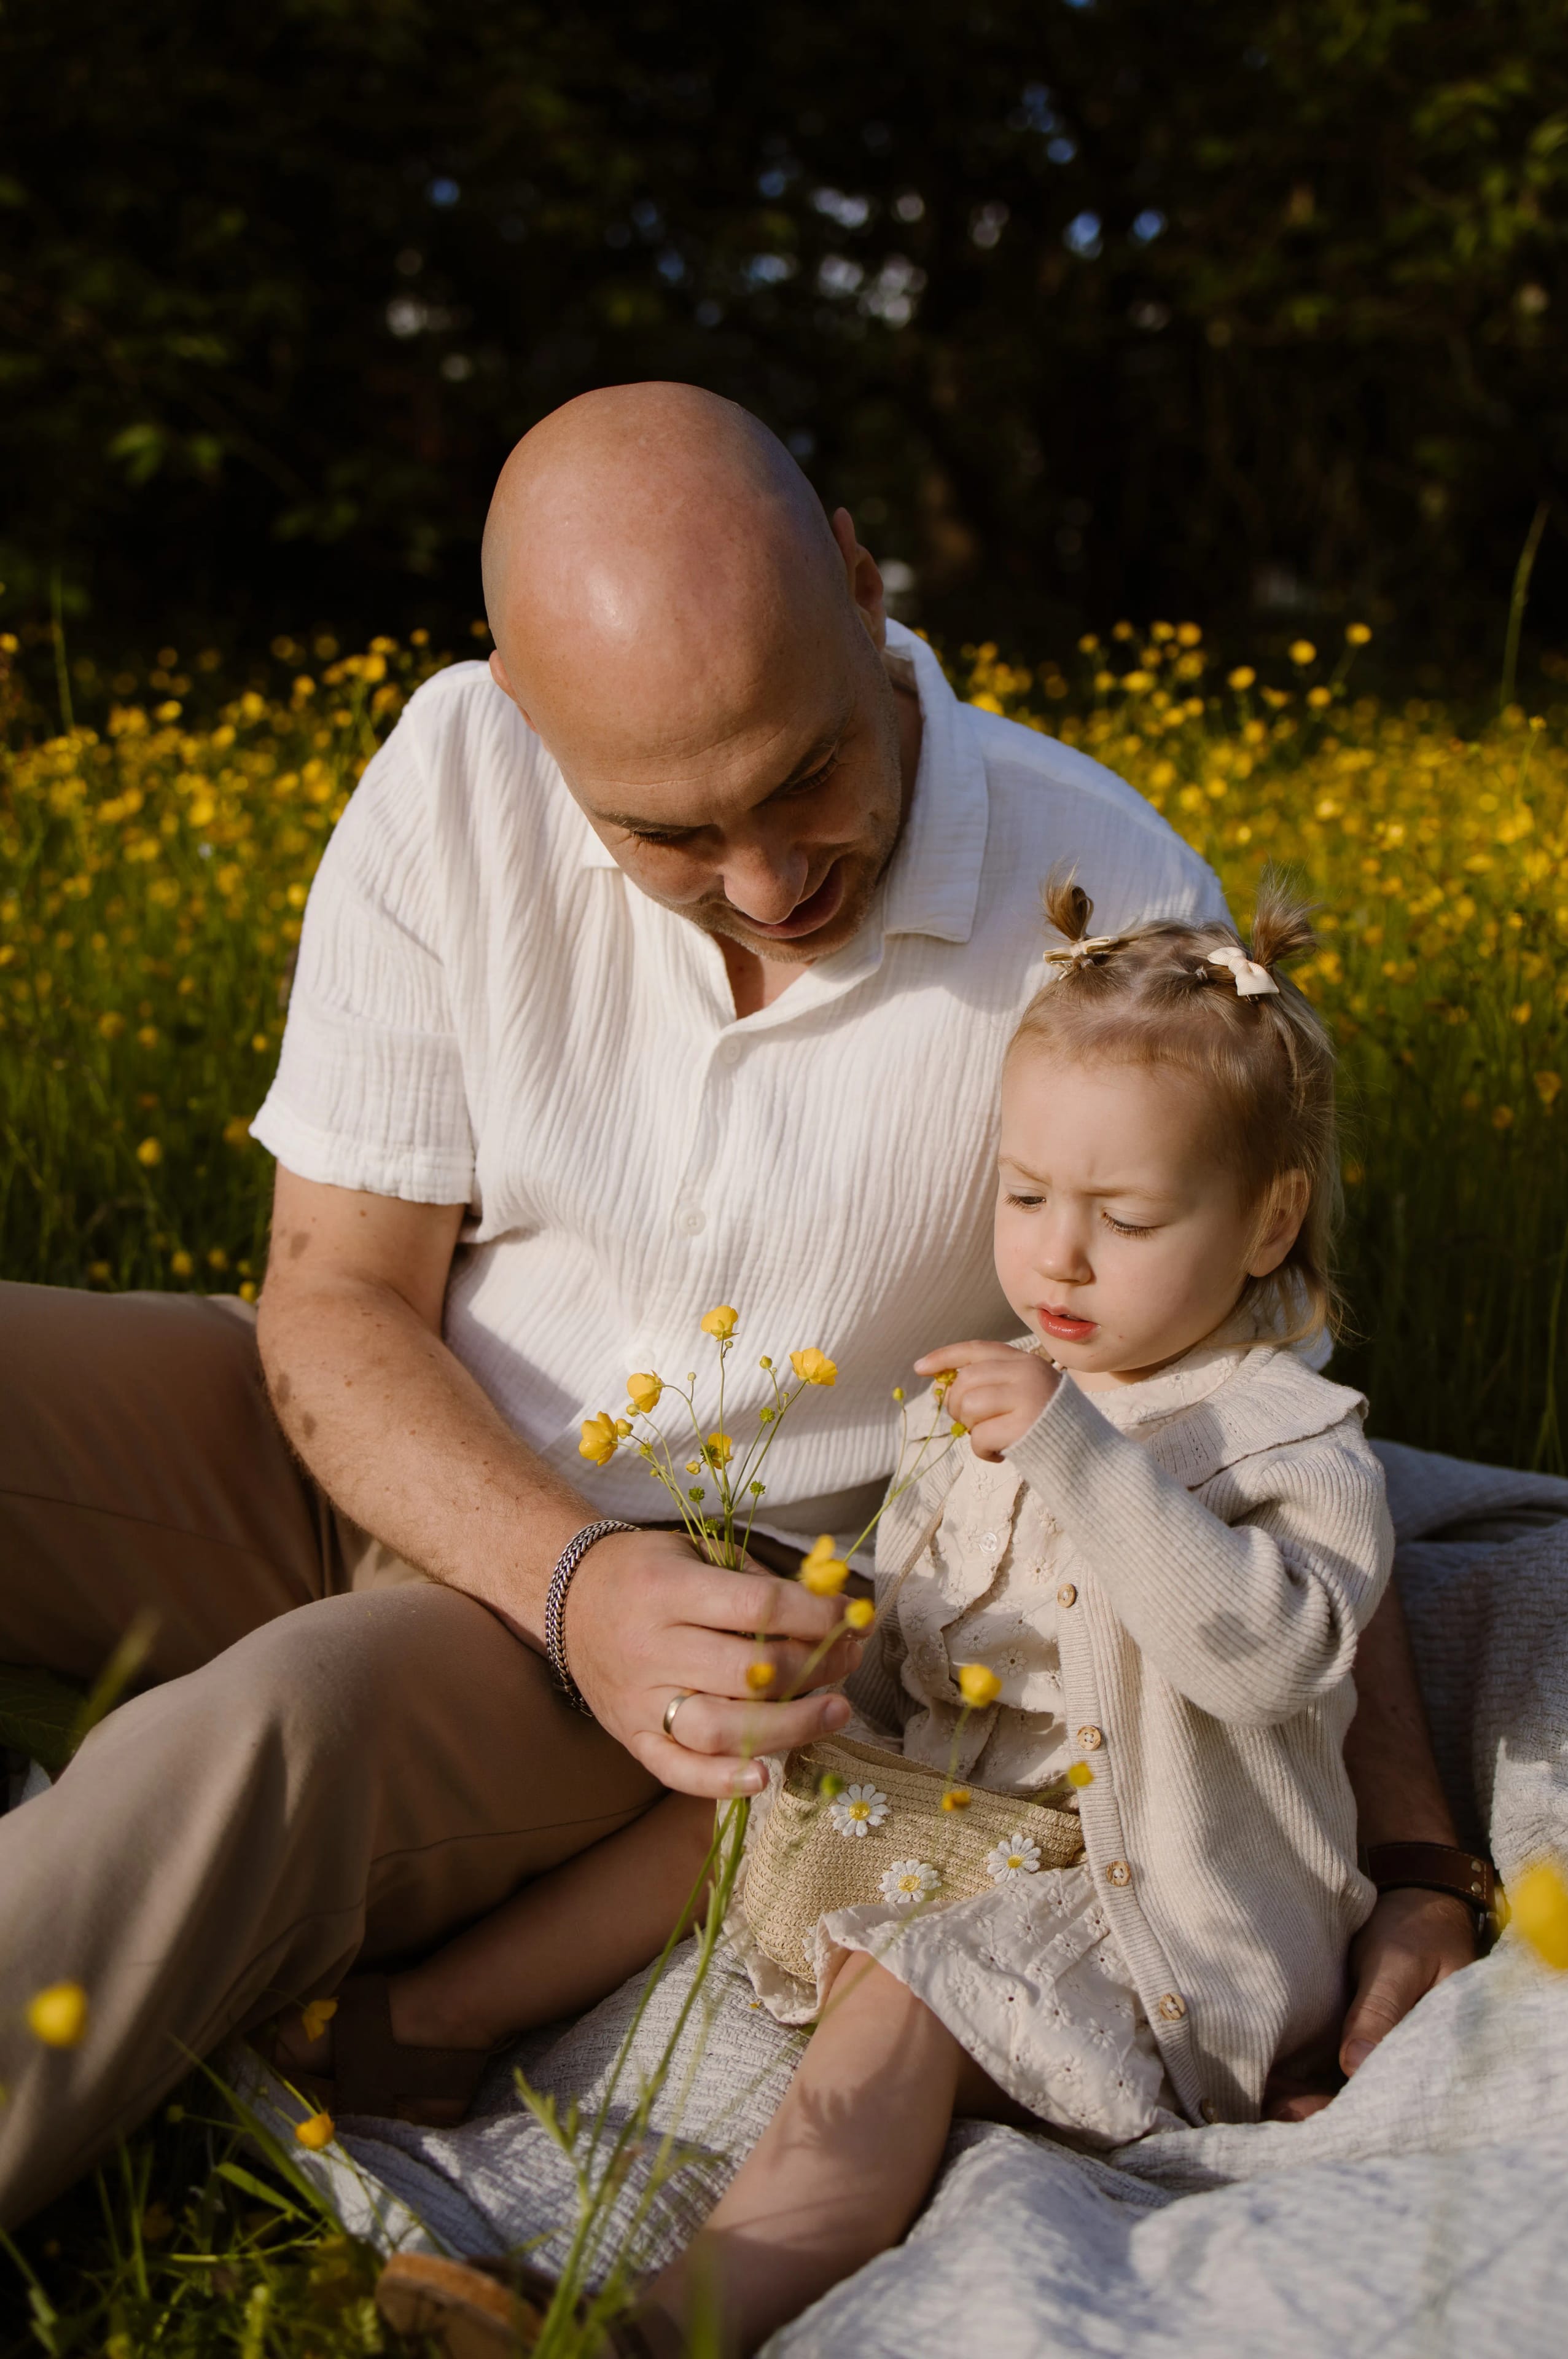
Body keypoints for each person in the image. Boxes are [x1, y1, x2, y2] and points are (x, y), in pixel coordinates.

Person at [0, 384, 1473, 2229]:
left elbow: (1261, 1427)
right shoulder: (454, 770)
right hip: (367, 1433)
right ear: (530, 715)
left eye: (803, 778)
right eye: (671, 833)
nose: (772, 882)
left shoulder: (1096, 900)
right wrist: (545, 1555)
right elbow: (335, 1298)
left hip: (675, 1616)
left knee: (261, 1733)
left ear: (862, 589)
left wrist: (1415, 1858)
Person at [368, 879, 1391, 2357]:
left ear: (1264, 1221)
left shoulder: (1285, 1440)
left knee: (914, 1986)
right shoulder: (985, 1393)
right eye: (1025, 1196)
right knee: (748, 1793)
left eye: (1125, 1217)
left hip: (1147, 1914)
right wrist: (846, 1646)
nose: (1057, 1256)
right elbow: (934, 1647)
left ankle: (668, 2326)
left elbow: (1268, 1657)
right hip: (977, 1826)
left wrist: (1075, 1455)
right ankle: (422, 2027)